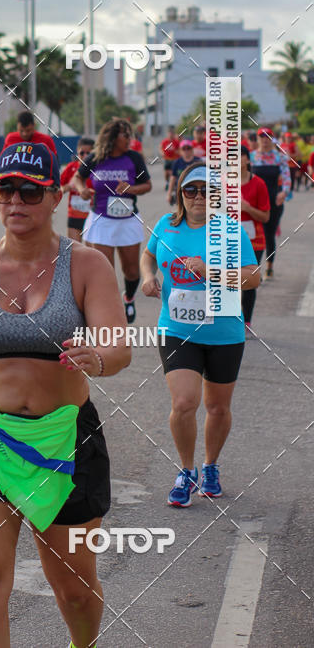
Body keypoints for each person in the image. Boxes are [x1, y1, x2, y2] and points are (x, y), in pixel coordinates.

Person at [0, 140, 131, 648]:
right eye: (4, 191)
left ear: (54, 197)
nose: (15, 202)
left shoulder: (87, 266)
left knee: (75, 590)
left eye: (28, 191)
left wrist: (99, 357)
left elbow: (117, 343)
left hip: (64, 440)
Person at [140, 162, 259, 506]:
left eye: (206, 191)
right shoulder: (166, 224)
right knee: (183, 402)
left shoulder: (231, 231)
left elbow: (253, 278)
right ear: (180, 193)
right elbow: (148, 256)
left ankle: (210, 466)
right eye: (191, 190)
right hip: (176, 329)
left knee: (217, 408)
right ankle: (187, 470)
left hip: (224, 331)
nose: (198, 197)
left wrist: (213, 271)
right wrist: (148, 277)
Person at [72, 117, 152, 324]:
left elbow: (147, 185)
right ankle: (109, 309)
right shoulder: (96, 158)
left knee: (132, 270)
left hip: (128, 219)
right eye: (126, 135)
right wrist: (82, 190)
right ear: (113, 137)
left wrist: (131, 189)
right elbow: (78, 178)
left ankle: (129, 297)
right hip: (101, 220)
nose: (130, 139)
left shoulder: (134, 158)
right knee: (104, 270)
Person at [250, 128, 291, 280]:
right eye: (262, 137)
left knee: (269, 234)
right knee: (252, 235)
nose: (265, 140)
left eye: (268, 137)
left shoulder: (279, 157)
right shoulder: (252, 157)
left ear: (272, 139)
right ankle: (254, 268)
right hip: (254, 202)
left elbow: (287, 178)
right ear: (258, 138)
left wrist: (284, 192)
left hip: (274, 200)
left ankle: (269, 266)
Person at [240, 145, 270, 339]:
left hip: (253, 241)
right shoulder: (223, 184)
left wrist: (247, 208)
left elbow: (266, 217)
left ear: (247, 160)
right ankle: (231, 319)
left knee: (248, 280)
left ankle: (247, 321)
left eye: (238, 157)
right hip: (228, 239)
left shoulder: (258, 184)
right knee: (228, 279)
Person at [60, 137, 95, 241]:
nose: (84, 156)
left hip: (92, 216)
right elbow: (58, 189)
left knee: (92, 253)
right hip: (74, 215)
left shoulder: (98, 169)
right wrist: (69, 186)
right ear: (77, 152)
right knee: (73, 250)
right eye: (81, 153)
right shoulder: (71, 167)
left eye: (88, 153)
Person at [167, 139, 196, 205]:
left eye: (188, 148)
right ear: (180, 151)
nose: (186, 151)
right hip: (180, 192)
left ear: (192, 150)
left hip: (195, 192)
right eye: (184, 149)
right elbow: (173, 178)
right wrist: (169, 193)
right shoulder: (177, 162)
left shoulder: (198, 161)